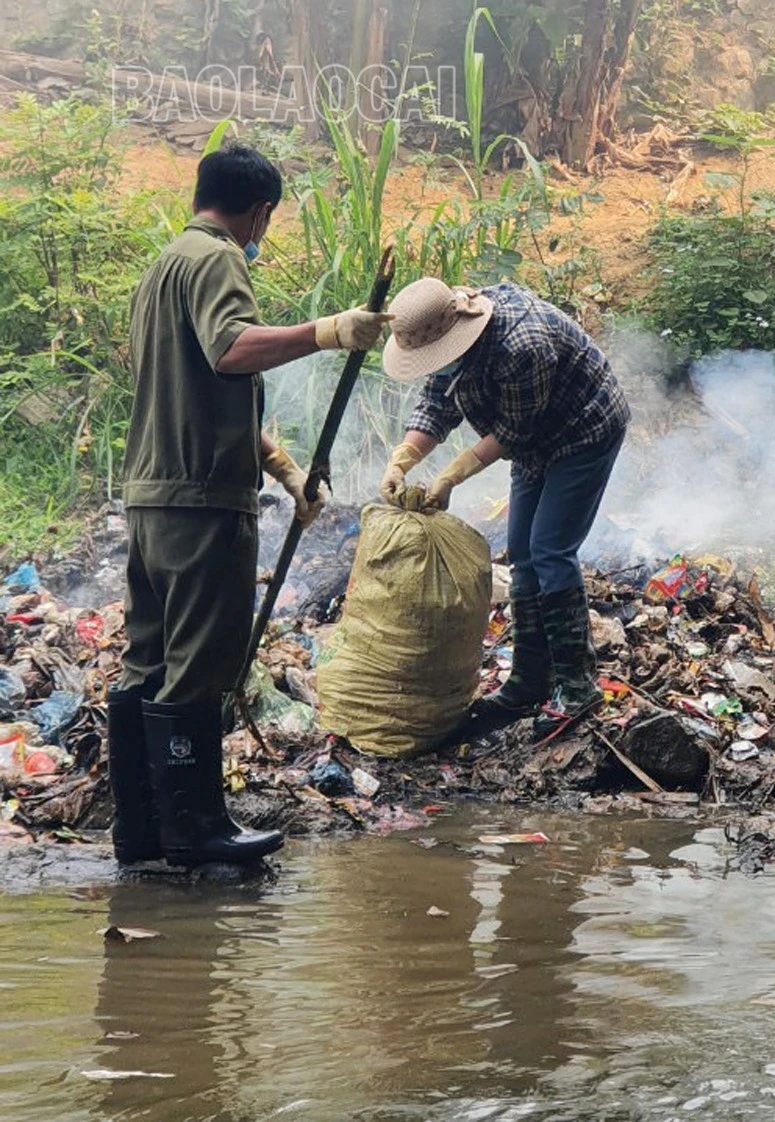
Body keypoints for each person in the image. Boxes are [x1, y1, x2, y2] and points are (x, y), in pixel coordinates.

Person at [112, 143, 392, 867]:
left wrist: (285, 469)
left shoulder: (163, 267)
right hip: (202, 501)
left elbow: (201, 388)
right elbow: (231, 349)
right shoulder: (218, 259)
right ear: (260, 210)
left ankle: (141, 833)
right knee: (199, 666)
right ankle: (196, 831)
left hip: (151, 498)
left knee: (146, 663)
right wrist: (327, 331)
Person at [379, 277, 630, 733]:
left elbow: (514, 432)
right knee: (521, 553)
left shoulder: (520, 346)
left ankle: (578, 684)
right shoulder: (446, 344)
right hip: (533, 443)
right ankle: (529, 680)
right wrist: (404, 458)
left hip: (582, 429)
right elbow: (437, 403)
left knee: (550, 550)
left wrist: (451, 475)